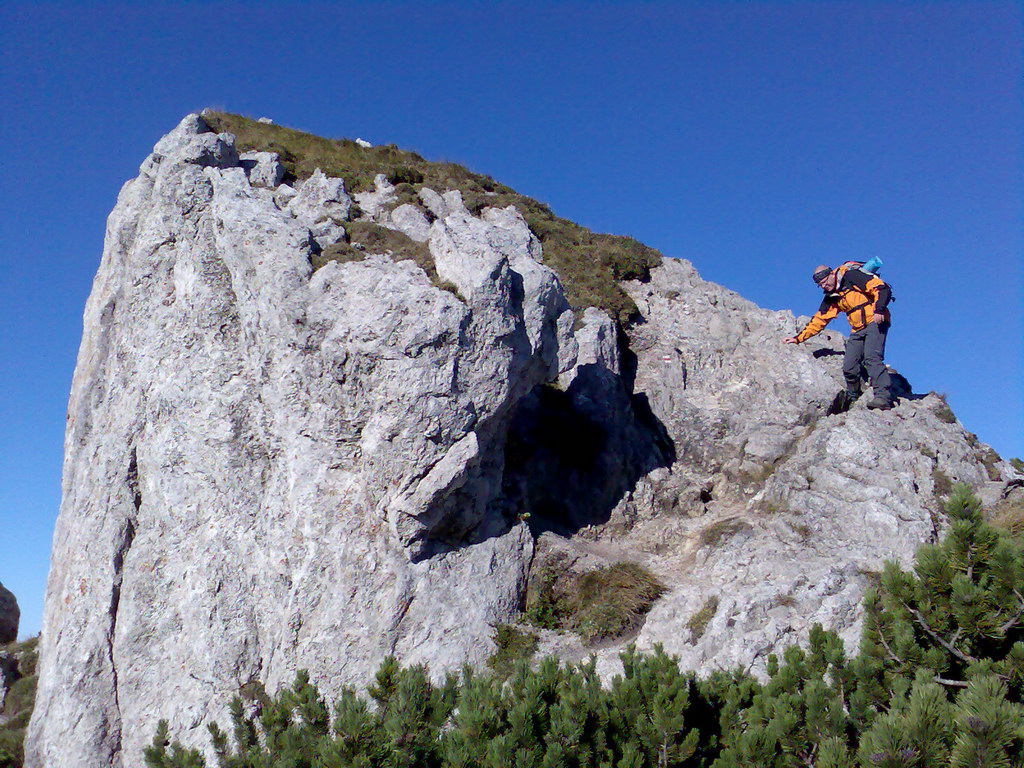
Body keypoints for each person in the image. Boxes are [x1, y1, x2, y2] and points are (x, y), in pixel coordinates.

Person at [783, 263, 894, 410]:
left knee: (872, 358)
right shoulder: (832, 295)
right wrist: (797, 338)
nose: (823, 286)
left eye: (824, 282)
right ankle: (854, 395)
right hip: (857, 329)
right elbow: (819, 320)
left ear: (831, 275)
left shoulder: (852, 276)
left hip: (875, 320)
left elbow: (881, 287)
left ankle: (882, 397)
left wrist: (879, 309)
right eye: (819, 285)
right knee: (849, 366)